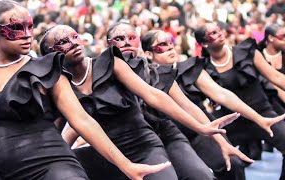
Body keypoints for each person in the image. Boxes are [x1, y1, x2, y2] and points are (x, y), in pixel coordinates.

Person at [0, 1, 173, 179]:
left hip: (53, 169)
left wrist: (126, 165)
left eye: (30, 26)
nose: (28, 35)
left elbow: (82, 120)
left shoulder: (45, 68)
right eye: (16, 28)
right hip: (6, 174)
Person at [39, 24, 237, 180]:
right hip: (107, 155)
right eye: (63, 42)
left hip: (143, 146)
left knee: (200, 174)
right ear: (49, 54)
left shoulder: (110, 63)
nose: (74, 43)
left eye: (75, 37)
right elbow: (62, 132)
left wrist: (202, 128)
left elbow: (153, 95)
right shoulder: (58, 85)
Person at [105, 22, 252, 180]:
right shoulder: (101, 77)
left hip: (174, 134)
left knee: (210, 173)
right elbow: (84, 119)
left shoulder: (159, 72)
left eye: (132, 37)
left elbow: (191, 105)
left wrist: (221, 141)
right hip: (130, 143)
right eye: (119, 38)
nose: (126, 42)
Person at [194, 23, 285, 179]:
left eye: (219, 30)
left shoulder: (247, 52)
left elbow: (276, 77)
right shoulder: (202, 68)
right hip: (230, 122)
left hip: (262, 114)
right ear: (203, 43)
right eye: (213, 33)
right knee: (226, 160)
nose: (220, 33)